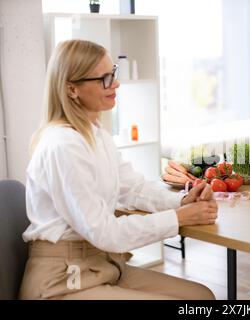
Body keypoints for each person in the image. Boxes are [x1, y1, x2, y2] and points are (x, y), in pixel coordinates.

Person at [19, 39, 218, 300]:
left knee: (200, 297)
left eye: (113, 73)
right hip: (62, 280)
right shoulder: (63, 145)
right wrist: (179, 218)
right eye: (104, 78)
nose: (115, 83)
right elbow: (105, 232)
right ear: (71, 89)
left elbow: (133, 188)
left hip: (100, 265)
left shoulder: (95, 134)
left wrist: (180, 201)